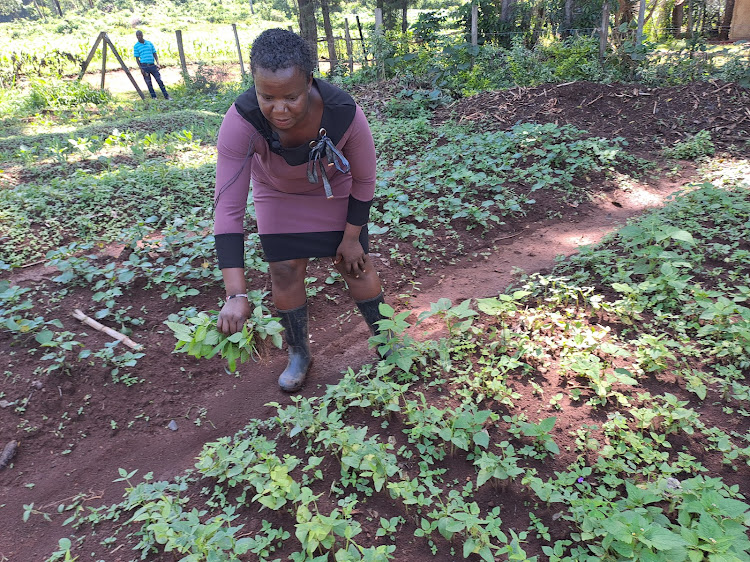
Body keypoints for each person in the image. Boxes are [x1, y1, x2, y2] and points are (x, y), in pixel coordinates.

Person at [213, 28, 390, 392]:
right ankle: (299, 354)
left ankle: (389, 344)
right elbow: (227, 208)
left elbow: (365, 179)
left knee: (355, 266)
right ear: (254, 86)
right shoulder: (241, 121)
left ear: (309, 81)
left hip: (334, 190)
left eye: (291, 97)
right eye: (267, 96)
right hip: (277, 194)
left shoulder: (343, 112)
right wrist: (236, 294)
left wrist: (352, 237)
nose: (279, 109)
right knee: (283, 270)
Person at [133, 30, 171, 100]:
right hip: (144, 66)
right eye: (137, 36)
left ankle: (166, 96)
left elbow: (154, 53)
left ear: (142, 35)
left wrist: (158, 63)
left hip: (152, 65)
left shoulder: (149, 43)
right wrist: (141, 68)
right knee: (149, 83)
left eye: (140, 35)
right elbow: (137, 59)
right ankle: (154, 97)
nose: (139, 37)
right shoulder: (136, 46)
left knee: (159, 80)